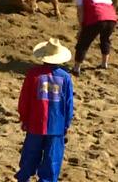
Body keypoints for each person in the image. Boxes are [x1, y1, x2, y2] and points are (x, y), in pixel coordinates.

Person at [16, 38, 74, 182]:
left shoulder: (33, 74)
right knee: (52, 160)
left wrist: (24, 118)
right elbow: (68, 103)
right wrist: (66, 123)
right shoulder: (65, 77)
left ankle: (24, 178)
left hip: (35, 123)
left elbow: (24, 99)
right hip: (56, 125)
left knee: (29, 156)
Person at [71, 0, 118, 75]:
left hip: (97, 18)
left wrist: (81, 26)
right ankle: (104, 63)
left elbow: (80, 10)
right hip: (111, 18)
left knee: (83, 42)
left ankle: (76, 67)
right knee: (105, 39)